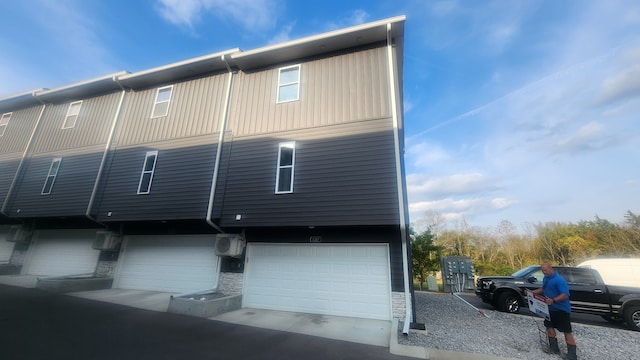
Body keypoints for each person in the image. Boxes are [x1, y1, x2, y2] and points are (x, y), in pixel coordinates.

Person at [532, 263, 577, 360]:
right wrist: (533, 292)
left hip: (561, 309)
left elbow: (565, 294)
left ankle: (572, 355)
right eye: (543, 271)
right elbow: (543, 288)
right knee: (549, 326)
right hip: (549, 309)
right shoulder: (546, 278)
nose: (544, 272)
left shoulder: (559, 280)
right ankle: (554, 348)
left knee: (567, 331)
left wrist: (554, 300)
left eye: (546, 270)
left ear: (550, 269)